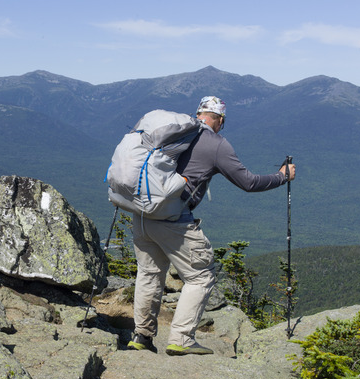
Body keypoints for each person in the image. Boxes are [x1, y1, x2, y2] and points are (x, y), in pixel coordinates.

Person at [127, 96, 296, 355]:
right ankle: (181, 339)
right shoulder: (215, 144)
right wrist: (282, 176)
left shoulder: (175, 134)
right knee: (201, 275)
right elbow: (248, 182)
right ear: (218, 119)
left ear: (199, 114)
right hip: (172, 218)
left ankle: (141, 336)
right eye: (222, 123)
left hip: (141, 212)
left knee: (149, 274)